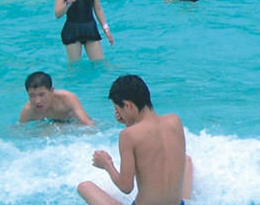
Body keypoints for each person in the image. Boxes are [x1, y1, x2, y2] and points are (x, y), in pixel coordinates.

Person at [77, 75, 193, 205]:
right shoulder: (175, 120)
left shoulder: (128, 135)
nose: (118, 114)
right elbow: (151, 145)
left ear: (127, 105)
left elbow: (126, 187)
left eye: (117, 109)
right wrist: (129, 123)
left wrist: (107, 164)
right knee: (186, 160)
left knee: (84, 187)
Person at [19, 71, 94, 126]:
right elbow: (19, 131)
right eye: (32, 95)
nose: (37, 101)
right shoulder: (28, 110)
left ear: (51, 91)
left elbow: (87, 123)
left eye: (42, 95)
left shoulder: (67, 99)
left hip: (72, 123)